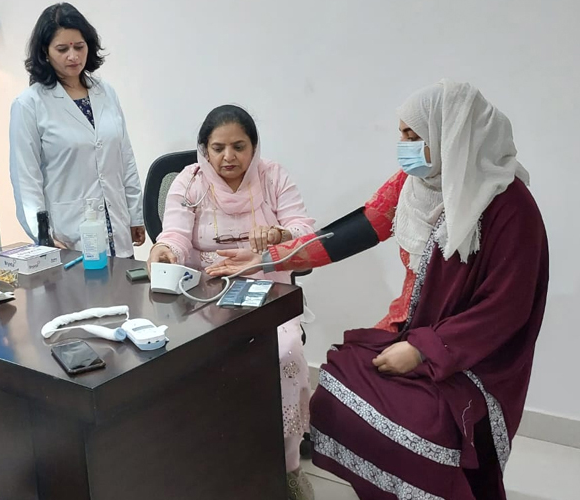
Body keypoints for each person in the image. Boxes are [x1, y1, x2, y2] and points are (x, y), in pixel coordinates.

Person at [207, 80, 549, 500]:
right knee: (334, 395)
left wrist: (425, 350)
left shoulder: (510, 206)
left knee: (416, 425)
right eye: (400, 133)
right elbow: (350, 234)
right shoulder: (414, 183)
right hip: (410, 328)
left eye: (412, 136)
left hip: (470, 354)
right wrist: (264, 260)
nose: (402, 146)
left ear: (452, 136)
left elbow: (506, 308)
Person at [147, 104, 317, 500]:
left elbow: (303, 229)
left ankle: (288, 464)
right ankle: (210, 455)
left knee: (286, 352)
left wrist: (278, 235)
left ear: (254, 148)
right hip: (203, 294)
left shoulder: (273, 177)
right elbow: (174, 234)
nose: (228, 157)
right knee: (192, 360)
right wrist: (164, 252)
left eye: (239, 146)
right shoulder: (187, 183)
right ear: (204, 150)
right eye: (218, 147)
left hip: (266, 289)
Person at [9, 2, 144, 257]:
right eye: (62, 49)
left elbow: (125, 158)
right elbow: (26, 179)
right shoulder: (29, 105)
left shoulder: (106, 93)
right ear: (45, 52)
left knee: (126, 295)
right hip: (67, 236)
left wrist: (136, 214)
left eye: (79, 47)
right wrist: (43, 235)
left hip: (118, 229)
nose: (73, 56)